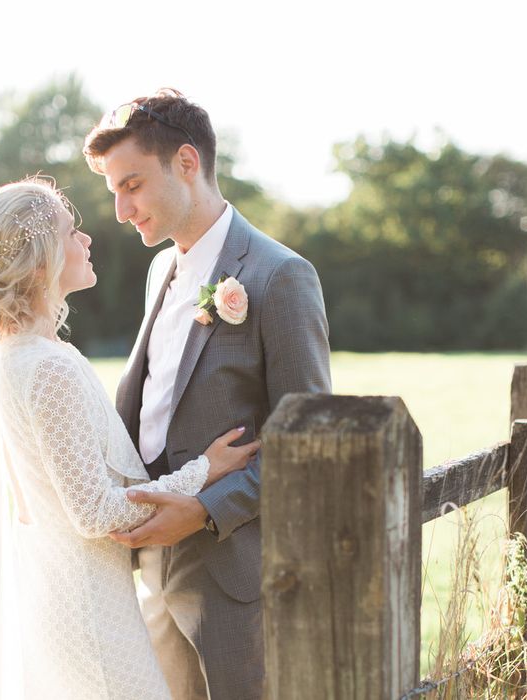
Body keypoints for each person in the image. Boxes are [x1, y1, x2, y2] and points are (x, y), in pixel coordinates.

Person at [0, 177, 260, 700]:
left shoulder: (17, 355)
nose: (87, 240)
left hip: (68, 588)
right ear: (43, 260)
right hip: (87, 608)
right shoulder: (46, 369)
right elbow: (93, 512)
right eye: (73, 232)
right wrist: (205, 470)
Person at [83, 88, 332, 700]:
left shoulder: (281, 276)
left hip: (235, 582)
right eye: (115, 189)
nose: (120, 208)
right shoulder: (156, 272)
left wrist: (202, 509)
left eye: (133, 184)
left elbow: (309, 441)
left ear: (187, 163)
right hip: (148, 576)